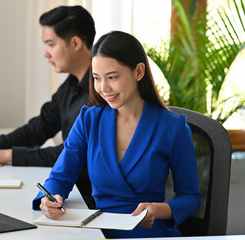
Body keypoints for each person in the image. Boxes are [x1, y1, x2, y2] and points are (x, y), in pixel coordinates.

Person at [32, 31, 201, 238]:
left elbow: (190, 197)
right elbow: (60, 177)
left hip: (149, 231)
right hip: (98, 231)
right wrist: (48, 198)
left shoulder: (172, 127)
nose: (104, 88)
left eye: (112, 77)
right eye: (96, 78)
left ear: (138, 72)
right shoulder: (88, 120)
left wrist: (158, 210)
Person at [0, 6, 96, 209]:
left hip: (87, 199)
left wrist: (7, 155)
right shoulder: (70, 86)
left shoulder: (102, 93)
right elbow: (39, 127)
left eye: (50, 44)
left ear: (76, 43)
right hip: (69, 192)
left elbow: (71, 152)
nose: (45, 54)